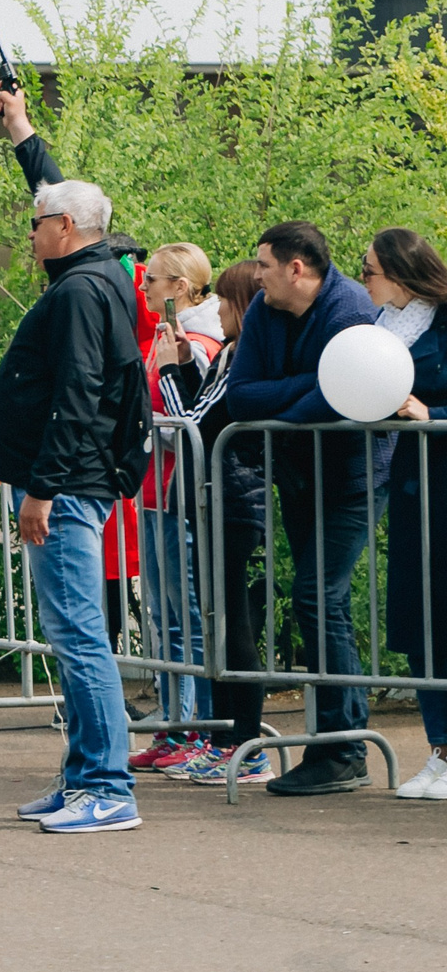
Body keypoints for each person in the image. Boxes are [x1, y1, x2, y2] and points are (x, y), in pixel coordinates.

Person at [182, 220, 382, 796]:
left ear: (297, 268)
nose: (257, 274)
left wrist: (293, 404)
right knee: (320, 601)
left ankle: (343, 749)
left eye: (265, 264)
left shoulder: (348, 309)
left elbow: (339, 396)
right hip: (297, 474)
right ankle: (336, 747)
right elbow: (242, 395)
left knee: (319, 597)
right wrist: (309, 389)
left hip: (355, 476)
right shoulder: (268, 313)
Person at [0, 178, 149, 833]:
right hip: (75, 481)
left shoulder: (83, 288)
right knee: (74, 635)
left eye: (35, 221)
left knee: (82, 637)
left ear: (65, 226)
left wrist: (45, 487)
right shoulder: (97, 277)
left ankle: (108, 785)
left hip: (67, 486)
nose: (28, 233)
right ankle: (85, 774)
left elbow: (80, 389)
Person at [155, 257, 271, 787]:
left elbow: (194, 423)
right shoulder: (227, 354)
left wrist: (165, 371)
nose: (217, 311)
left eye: (225, 302)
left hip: (233, 500)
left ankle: (243, 743)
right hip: (212, 498)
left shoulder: (244, 353)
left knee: (230, 623)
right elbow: (204, 404)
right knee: (217, 619)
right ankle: (227, 738)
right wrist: (184, 365)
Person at [359, 230, 447, 799]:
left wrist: (429, 411)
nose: (362, 277)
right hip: (414, 487)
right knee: (421, 622)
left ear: (399, 270)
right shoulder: (378, 331)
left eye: (367, 269)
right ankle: (438, 750)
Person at [125, 244, 217, 774]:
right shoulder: (165, 337)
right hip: (155, 493)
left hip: (180, 493)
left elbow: (187, 417)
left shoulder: (196, 341)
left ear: (181, 288)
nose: (145, 287)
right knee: (163, 617)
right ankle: (175, 723)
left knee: (186, 618)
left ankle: (197, 727)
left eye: (153, 280)